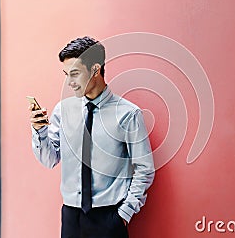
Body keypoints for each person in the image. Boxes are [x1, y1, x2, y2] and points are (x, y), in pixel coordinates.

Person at [29, 36, 155, 238]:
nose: (69, 82)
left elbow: (144, 169)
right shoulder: (63, 110)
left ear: (95, 70)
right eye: (67, 75)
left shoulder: (128, 114)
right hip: (71, 217)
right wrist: (39, 131)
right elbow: (49, 159)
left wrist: (123, 215)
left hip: (109, 218)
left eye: (75, 74)